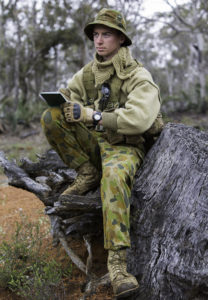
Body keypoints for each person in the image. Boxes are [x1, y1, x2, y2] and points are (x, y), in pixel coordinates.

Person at [41, 8, 161, 299]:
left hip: (125, 145)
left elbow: (139, 119)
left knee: (114, 179)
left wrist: (93, 116)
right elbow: (70, 95)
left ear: (120, 39)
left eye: (106, 34)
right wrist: (66, 104)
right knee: (50, 116)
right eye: (95, 35)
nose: (99, 41)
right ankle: (86, 171)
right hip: (98, 145)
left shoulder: (138, 76)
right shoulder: (89, 73)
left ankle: (118, 265)